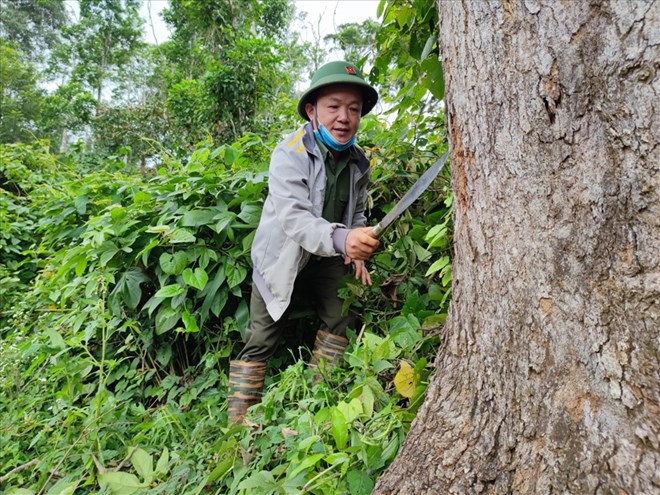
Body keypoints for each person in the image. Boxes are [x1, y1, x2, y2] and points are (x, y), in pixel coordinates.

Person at [227, 61, 380, 423]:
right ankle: (237, 427)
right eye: (334, 106)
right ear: (312, 111)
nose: (344, 117)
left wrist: (356, 249)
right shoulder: (289, 153)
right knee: (261, 338)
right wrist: (345, 239)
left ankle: (314, 405)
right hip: (284, 256)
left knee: (341, 317)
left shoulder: (359, 162)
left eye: (354, 109)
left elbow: (356, 212)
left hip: (329, 256)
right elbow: (294, 219)